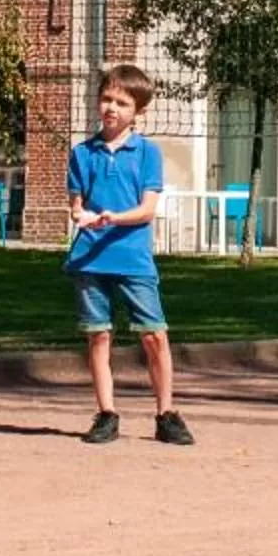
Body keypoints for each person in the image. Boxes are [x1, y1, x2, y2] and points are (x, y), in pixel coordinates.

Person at [66, 64, 190, 447]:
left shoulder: (147, 154)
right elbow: (76, 205)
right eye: (106, 99)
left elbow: (147, 209)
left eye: (121, 102)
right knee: (98, 337)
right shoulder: (82, 154)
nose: (111, 108)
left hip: (133, 257)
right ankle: (106, 414)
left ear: (138, 111)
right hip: (90, 259)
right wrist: (82, 216)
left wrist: (113, 218)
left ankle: (166, 415)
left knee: (155, 336)